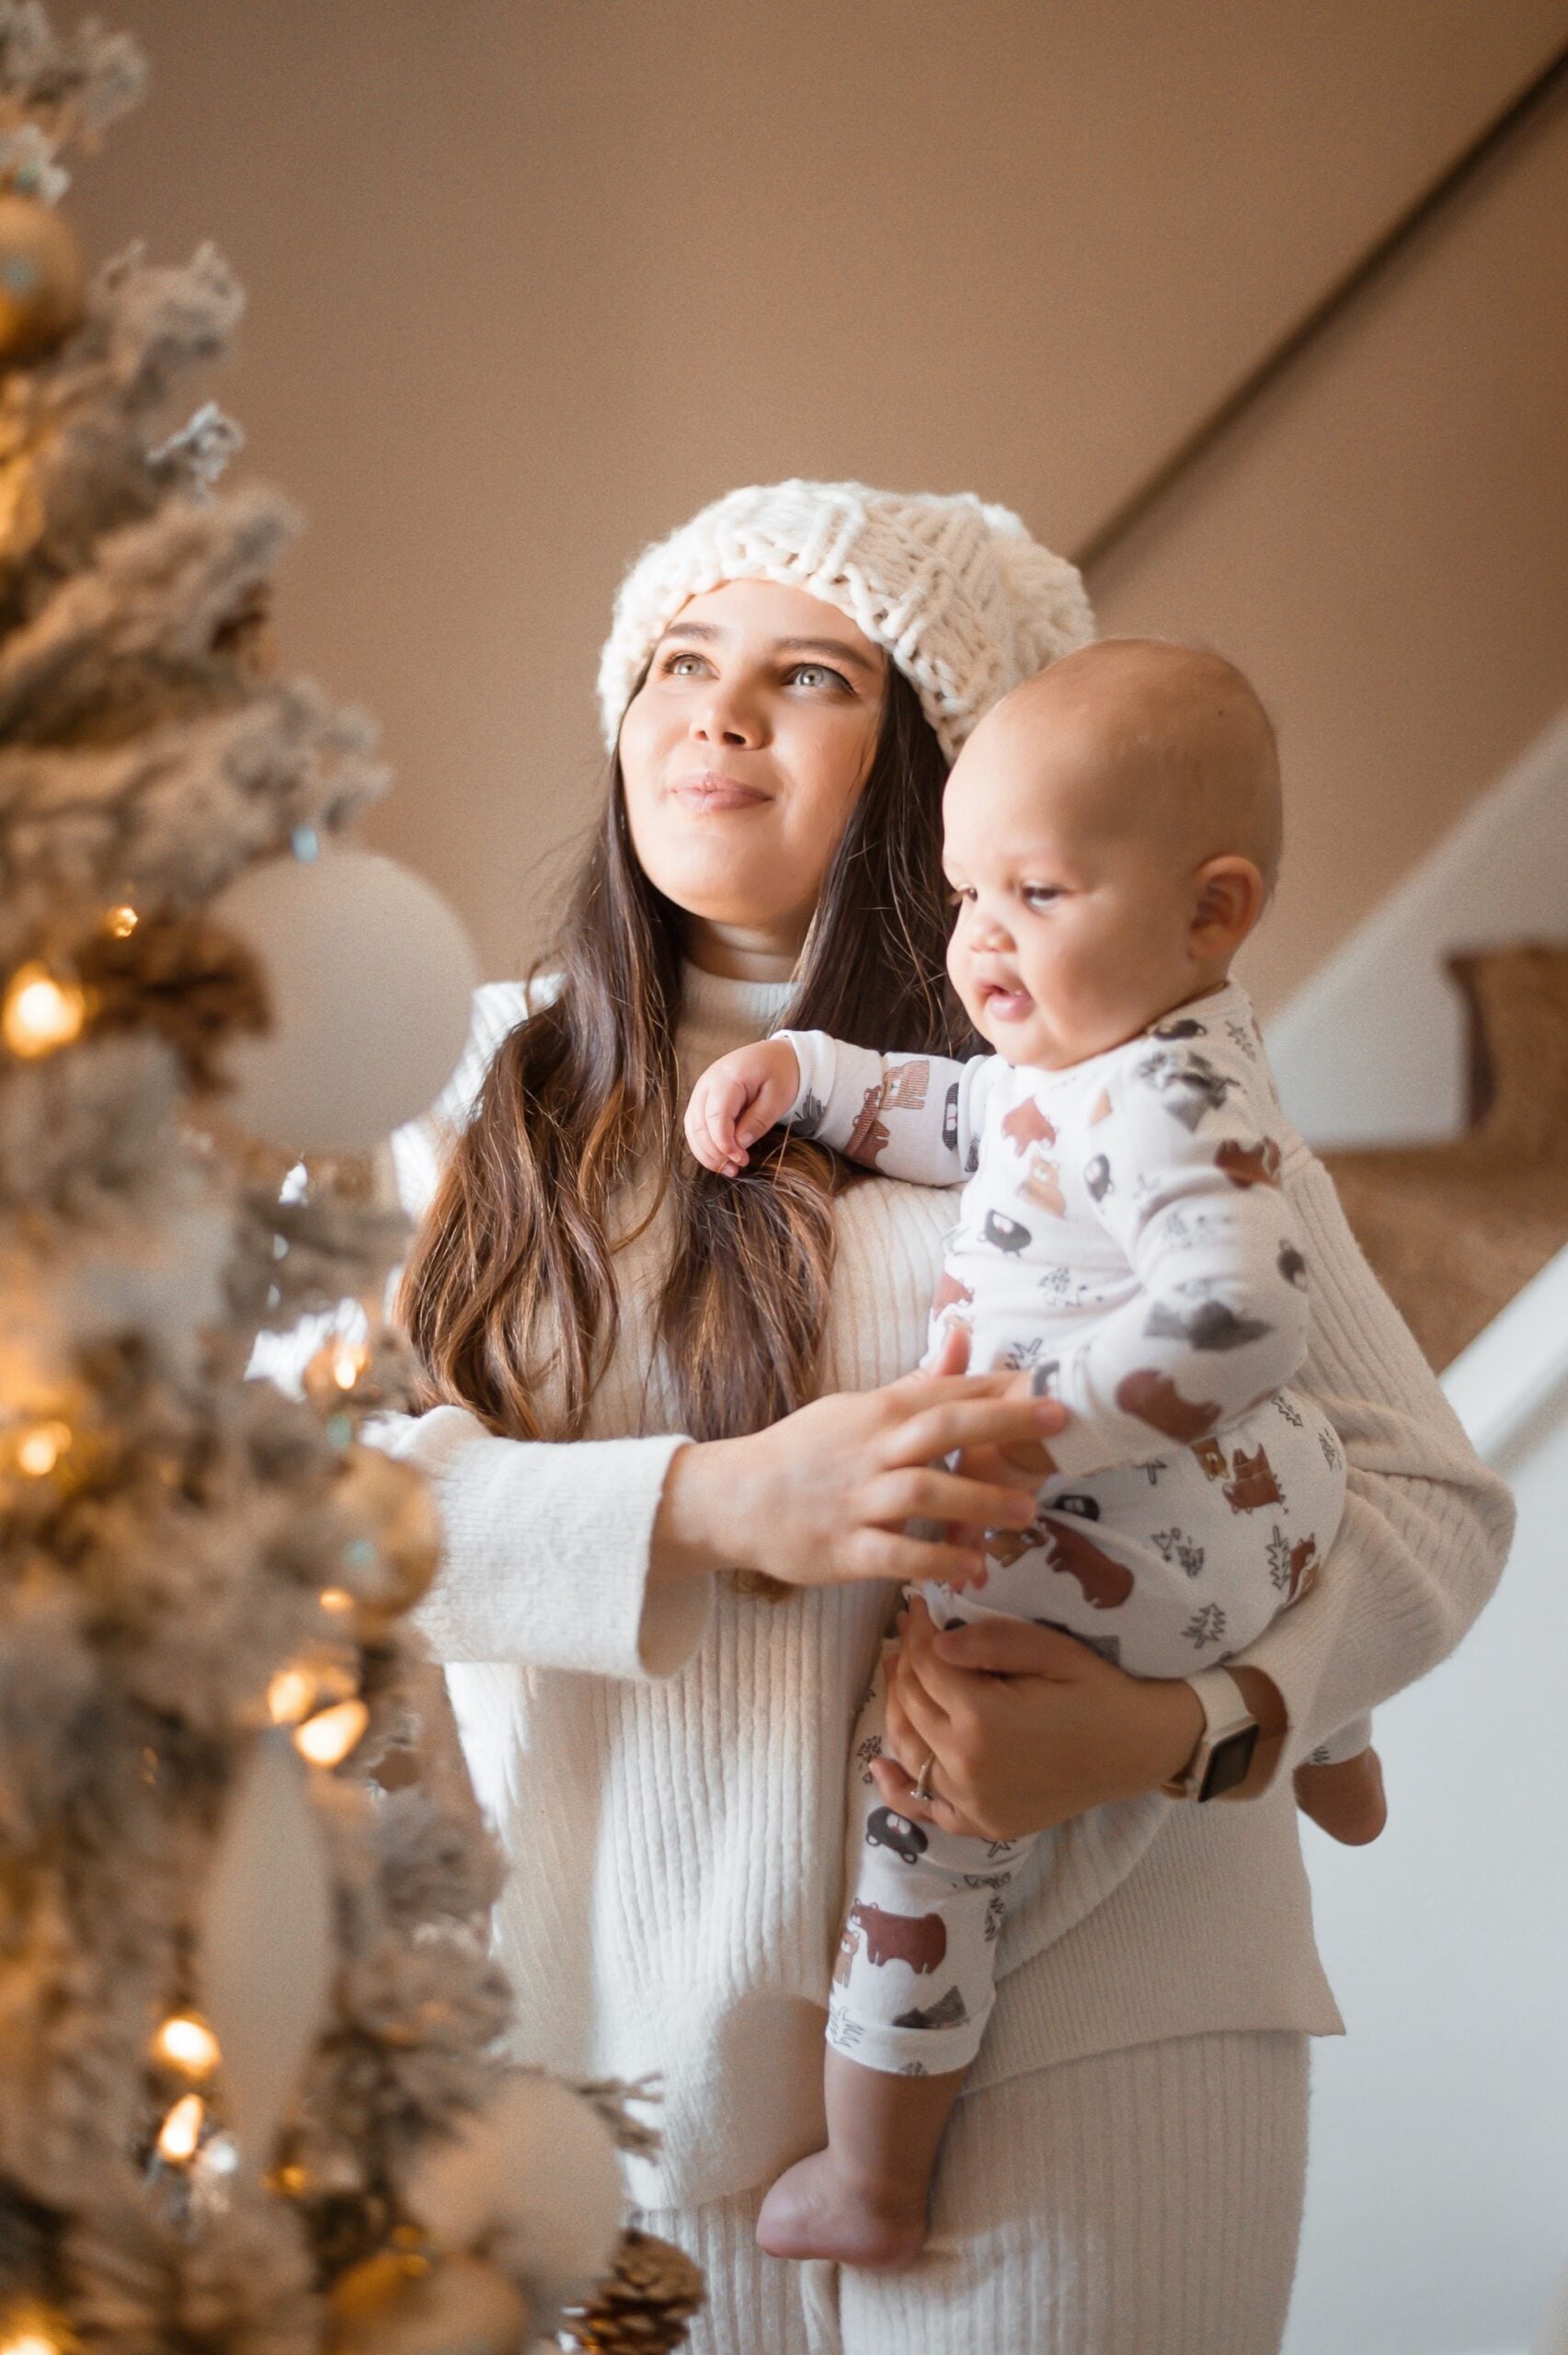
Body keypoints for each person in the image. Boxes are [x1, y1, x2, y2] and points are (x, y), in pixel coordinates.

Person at [373, 480, 1511, 2355]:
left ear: (944, 755)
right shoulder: (462, 1095)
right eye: (676, 659)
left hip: (1103, 1991)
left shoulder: (1113, 1072)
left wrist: (1195, 1727)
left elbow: (1418, 1496)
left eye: (805, 671)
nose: (715, 710)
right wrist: (711, 1503)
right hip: (624, 2032)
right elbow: (275, 1518)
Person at [685, 638, 1384, 2268]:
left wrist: (1031, 1419)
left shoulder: (1169, 1107)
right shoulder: (1102, 1062)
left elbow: (1246, 1317)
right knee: (1297, 1520)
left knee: (923, 1842)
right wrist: (818, 1081)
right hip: (1275, 1527)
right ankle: (1327, 1724)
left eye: (1039, 896)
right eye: (964, 895)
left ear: (1211, 913)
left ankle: (874, 2175)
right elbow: (963, 1110)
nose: (983, 941)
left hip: (1104, 1570)